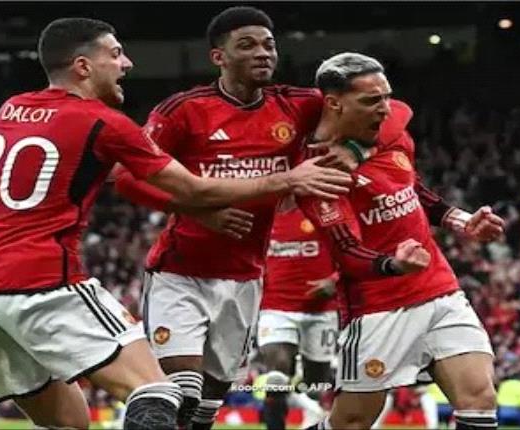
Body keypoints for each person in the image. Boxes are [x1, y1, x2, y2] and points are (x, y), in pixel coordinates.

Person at [0, 17, 351, 430]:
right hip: (44, 279)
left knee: (69, 422)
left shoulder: (12, 108)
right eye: (115, 54)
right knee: (159, 393)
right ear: (83, 66)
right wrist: (288, 179)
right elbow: (192, 189)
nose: (126, 64)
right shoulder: (106, 122)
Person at [113, 7, 367, 429]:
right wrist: (198, 210)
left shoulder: (299, 105)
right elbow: (124, 177)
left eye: (269, 45)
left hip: (245, 278)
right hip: (181, 273)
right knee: (182, 391)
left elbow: (383, 111)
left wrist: (353, 149)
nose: (263, 53)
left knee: (208, 403)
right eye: (247, 46)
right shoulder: (185, 110)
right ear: (219, 57)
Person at [296, 52, 506, 430]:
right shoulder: (317, 173)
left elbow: (412, 189)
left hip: (439, 289)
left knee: (480, 398)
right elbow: (347, 251)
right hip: (378, 306)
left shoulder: (390, 132)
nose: (385, 108)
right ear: (334, 103)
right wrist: (393, 265)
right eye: (371, 101)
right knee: (353, 421)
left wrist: (460, 220)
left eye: (386, 96)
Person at [256, 204, 340, 429]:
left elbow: (350, 251)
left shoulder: (323, 212)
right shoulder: (261, 213)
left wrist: (335, 280)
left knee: (316, 385)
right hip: (275, 308)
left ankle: (311, 406)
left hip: (321, 312)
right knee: (277, 374)